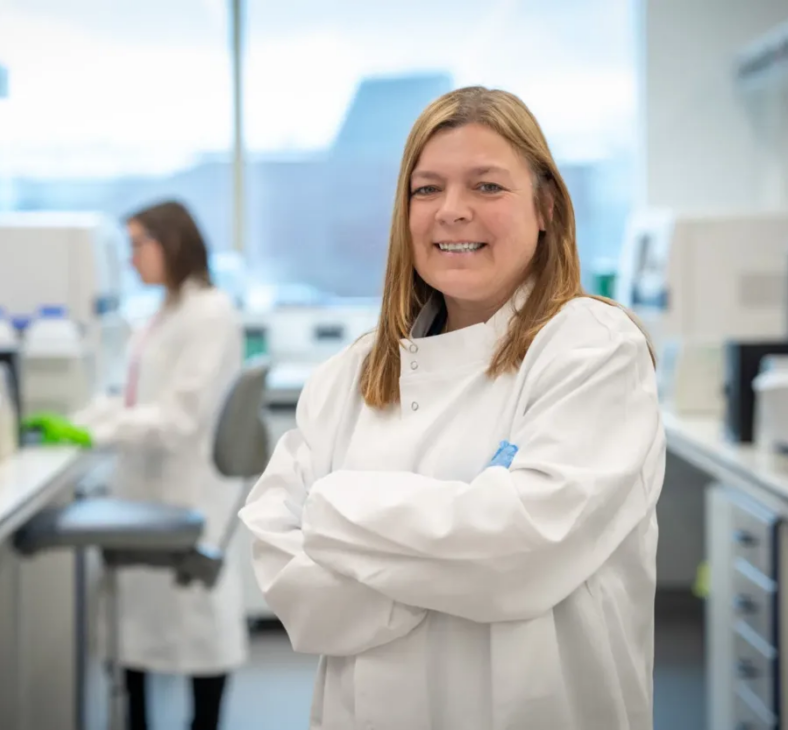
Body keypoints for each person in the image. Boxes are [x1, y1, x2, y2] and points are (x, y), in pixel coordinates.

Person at [238, 86, 666, 730]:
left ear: (547, 205)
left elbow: (520, 554)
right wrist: (446, 570)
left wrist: (334, 509)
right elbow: (280, 562)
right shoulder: (350, 374)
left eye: (488, 187)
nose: (453, 212)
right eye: (427, 189)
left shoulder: (592, 349)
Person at [78, 200, 249, 730]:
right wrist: (91, 416)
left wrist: (102, 429)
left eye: (136, 245)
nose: (130, 260)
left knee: (195, 627)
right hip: (146, 484)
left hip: (183, 488)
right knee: (138, 625)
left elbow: (180, 416)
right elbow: (137, 397)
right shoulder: (165, 310)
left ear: (170, 242)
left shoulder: (210, 312)